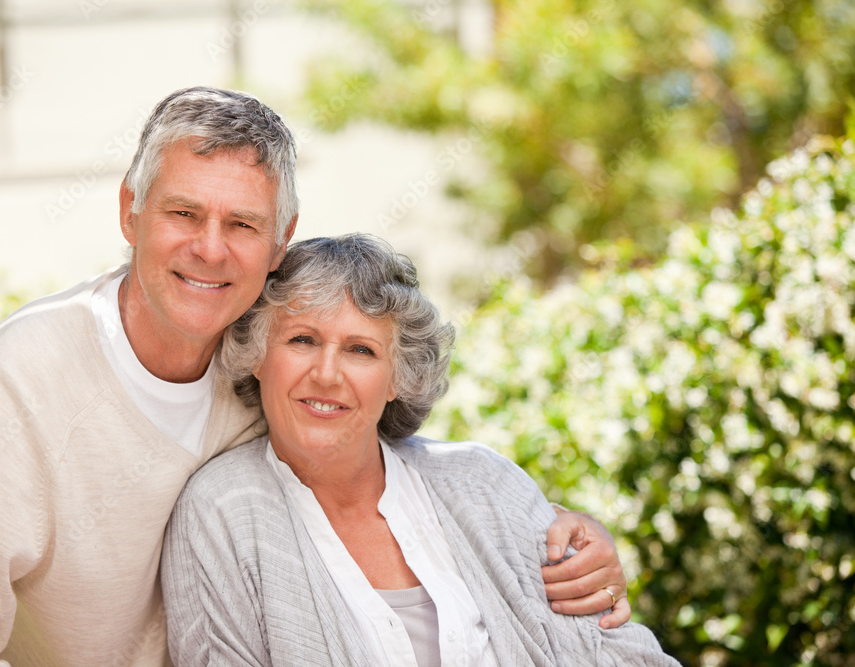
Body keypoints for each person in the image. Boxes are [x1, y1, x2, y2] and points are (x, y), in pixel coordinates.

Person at [0, 87, 626, 666]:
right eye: (184, 212)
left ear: (281, 239)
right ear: (130, 210)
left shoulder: (259, 360)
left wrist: (562, 531)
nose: (210, 250)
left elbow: (379, 451)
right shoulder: (29, 373)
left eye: (242, 224)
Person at [162, 234, 679, 666]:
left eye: (361, 350)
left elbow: (613, 647)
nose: (326, 374)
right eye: (302, 340)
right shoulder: (221, 511)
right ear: (257, 354)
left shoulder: (483, 481)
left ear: (398, 379)